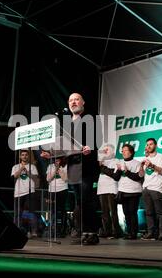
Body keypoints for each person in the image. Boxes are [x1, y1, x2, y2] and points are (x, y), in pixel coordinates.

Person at [41, 92, 101, 245]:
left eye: (77, 99)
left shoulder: (91, 118)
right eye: (71, 100)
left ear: (83, 102)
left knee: (87, 199)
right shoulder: (66, 125)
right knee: (79, 201)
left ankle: (92, 232)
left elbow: (97, 139)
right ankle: (83, 232)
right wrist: (51, 155)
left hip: (86, 165)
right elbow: (64, 148)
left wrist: (91, 147)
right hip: (73, 166)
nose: (73, 102)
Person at [139, 138, 162, 240]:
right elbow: (141, 175)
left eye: (151, 144)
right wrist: (141, 166)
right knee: (149, 212)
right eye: (147, 145)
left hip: (157, 188)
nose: (149, 146)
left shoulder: (161, 157)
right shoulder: (145, 158)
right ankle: (151, 232)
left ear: (155, 145)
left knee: (160, 212)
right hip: (146, 187)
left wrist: (152, 165)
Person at [114, 144, 143, 240]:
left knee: (132, 212)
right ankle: (129, 231)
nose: (123, 152)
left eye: (125, 150)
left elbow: (138, 177)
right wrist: (118, 170)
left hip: (134, 191)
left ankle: (134, 232)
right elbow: (116, 178)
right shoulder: (120, 162)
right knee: (126, 212)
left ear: (131, 152)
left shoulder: (137, 163)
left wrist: (126, 171)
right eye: (122, 150)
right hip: (123, 191)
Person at [11, 149, 40, 238]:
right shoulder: (15, 166)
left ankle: (33, 231)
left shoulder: (33, 167)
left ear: (28, 156)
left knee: (31, 212)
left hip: (30, 191)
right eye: (22, 155)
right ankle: (17, 230)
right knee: (18, 213)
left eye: (26, 155)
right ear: (20, 157)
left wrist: (27, 171)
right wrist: (21, 168)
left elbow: (35, 178)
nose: (24, 156)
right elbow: (15, 176)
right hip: (18, 193)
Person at [97, 144, 121, 239]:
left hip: (112, 188)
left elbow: (115, 176)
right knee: (104, 212)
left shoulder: (116, 161)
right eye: (104, 150)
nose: (105, 151)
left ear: (112, 151)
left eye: (107, 150)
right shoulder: (100, 161)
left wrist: (102, 167)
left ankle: (116, 231)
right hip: (101, 188)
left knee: (113, 212)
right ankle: (107, 231)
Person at [46, 157, 69, 237]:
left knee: (62, 210)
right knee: (52, 210)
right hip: (52, 190)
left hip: (62, 189)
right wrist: (55, 170)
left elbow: (65, 179)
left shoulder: (65, 166)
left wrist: (60, 171)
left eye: (58, 160)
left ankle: (62, 230)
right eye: (56, 160)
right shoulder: (50, 166)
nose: (57, 161)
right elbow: (48, 179)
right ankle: (53, 229)